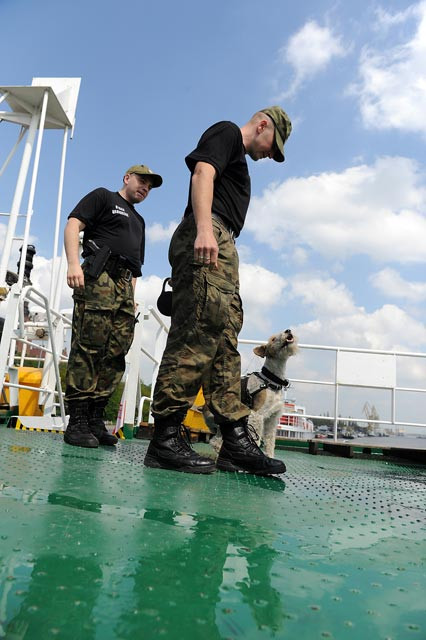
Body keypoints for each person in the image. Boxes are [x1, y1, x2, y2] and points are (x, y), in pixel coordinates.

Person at [144, 107, 291, 475]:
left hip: (222, 241)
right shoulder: (226, 132)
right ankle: (165, 438)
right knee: (195, 334)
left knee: (224, 341)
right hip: (209, 231)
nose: (269, 156)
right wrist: (205, 229)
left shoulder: (239, 154)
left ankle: (235, 440)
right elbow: (202, 172)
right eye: (273, 147)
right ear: (262, 125)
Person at [64, 165, 163, 448]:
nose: (145, 187)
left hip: (124, 286)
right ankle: (78, 421)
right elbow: (73, 225)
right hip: (99, 277)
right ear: (127, 178)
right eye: (141, 181)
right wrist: (73, 263)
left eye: (150, 186)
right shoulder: (104, 198)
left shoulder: (140, 221)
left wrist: (130, 302)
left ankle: (95, 418)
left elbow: (135, 267)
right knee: (89, 346)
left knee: (115, 352)